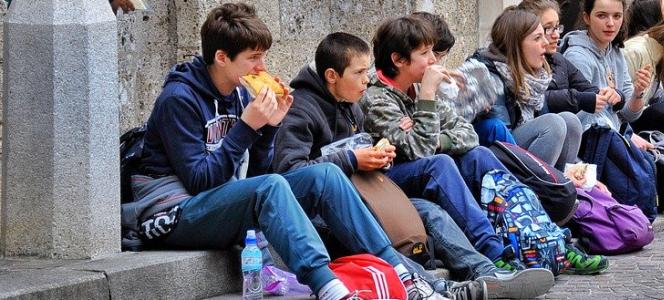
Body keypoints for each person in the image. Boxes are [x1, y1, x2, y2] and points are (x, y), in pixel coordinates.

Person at [123, 3, 475, 299]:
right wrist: (247, 127)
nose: (262, 67)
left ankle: (400, 272)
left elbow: (258, 174)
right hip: (171, 214)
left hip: (221, 200)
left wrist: (268, 127)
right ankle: (329, 288)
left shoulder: (241, 94)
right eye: (253, 58)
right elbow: (201, 181)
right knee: (272, 187)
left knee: (325, 174)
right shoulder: (179, 99)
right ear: (221, 57)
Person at [272, 31, 555, 298]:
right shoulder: (301, 107)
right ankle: (438, 286)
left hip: (367, 193)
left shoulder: (349, 103)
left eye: (366, 71)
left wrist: (378, 157)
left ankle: (487, 271)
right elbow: (290, 173)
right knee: (392, 215)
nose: (365, 81)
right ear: (331, 76)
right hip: (326, 215)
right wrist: (353, 158)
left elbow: (360, 154)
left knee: (432, 211)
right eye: (358, 73)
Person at [361, 15, 610, 275]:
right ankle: (494, 253)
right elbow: (420, 152)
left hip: (425, 165)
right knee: (441, 163)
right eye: (424, 53)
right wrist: (427, 97)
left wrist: (437, 138)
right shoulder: (377, 98)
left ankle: (551, 238)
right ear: (398, 60)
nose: (434, 60)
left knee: (480, 154)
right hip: (387, 180)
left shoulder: (416, 87)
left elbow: (466, 133)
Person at [467, 8, 584, 170]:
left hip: (522, 151)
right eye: (538, 37)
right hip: (500, 160)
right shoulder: (491, 78)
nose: (546, 41)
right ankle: (539, 188)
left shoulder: (534, 75)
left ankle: (563, 183)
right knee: (553, 124)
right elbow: (502, 144)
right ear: (516, 44)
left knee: (570, 120)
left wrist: (579, 167)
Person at [561, 0, 650, 141]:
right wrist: (626, 137)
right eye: (602, 16)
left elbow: (629, 114)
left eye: (617, 16)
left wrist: (638, 93)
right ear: (586, 18)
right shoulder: (577, 56)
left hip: (614, 134)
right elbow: (587, 117)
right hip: (589, 139)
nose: (610, 23)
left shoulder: (615, 52)